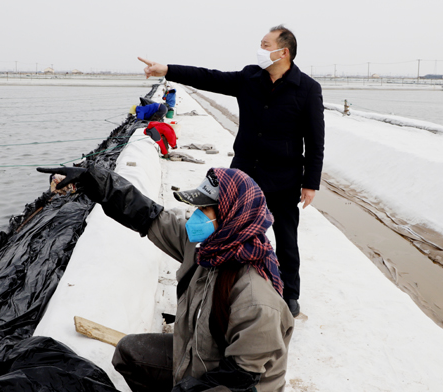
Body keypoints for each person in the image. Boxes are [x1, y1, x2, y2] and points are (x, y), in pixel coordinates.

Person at [37, 164, 294, 392]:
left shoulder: (256, 297)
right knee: (129, 352)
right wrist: (95, 181)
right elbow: (149, 216)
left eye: (204, 210)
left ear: (231, 216)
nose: (195, 216)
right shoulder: (207, 249)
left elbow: (240, 375)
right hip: (201, 360)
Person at [137, 25, 325, 317]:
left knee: (286, 238)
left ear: (283, 52)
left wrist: (310, 183)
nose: (260, 50)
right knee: (229, 231)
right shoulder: (250, 77)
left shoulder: (308, 89)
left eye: (266, 45)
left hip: (284, 177)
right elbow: (209, 77)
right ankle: (226, 284)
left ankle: (289, 294)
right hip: (244, 176)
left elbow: (315, 140)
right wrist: (168, 69)